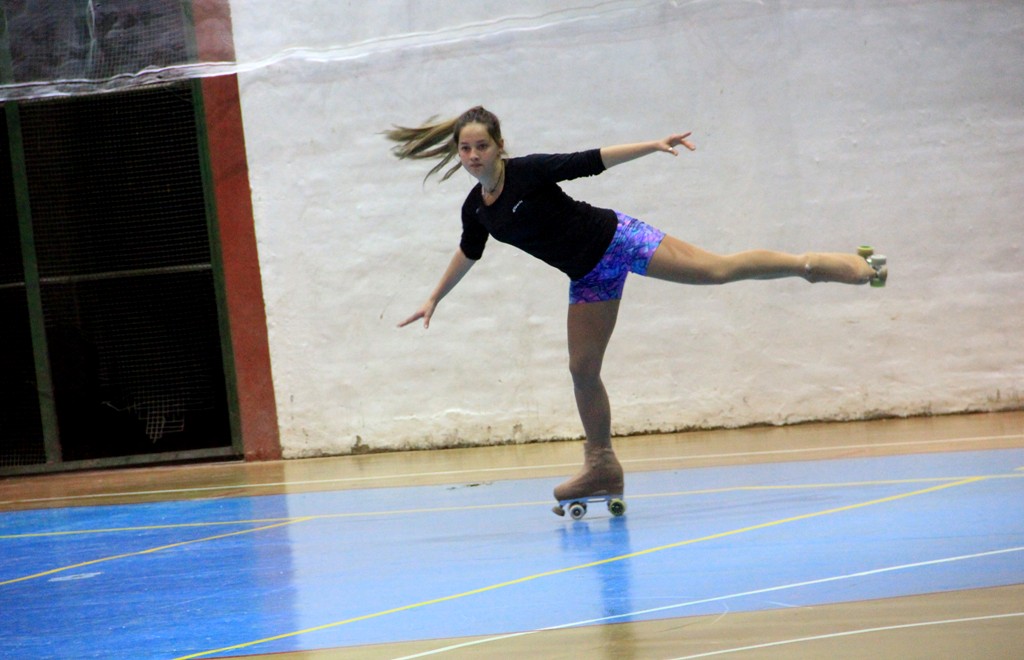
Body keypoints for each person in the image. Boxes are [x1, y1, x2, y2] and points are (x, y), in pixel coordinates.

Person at [386, 106, 883, 516]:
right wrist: (434, 297)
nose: (473, 155)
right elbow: (469, 250)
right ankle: (601, 464)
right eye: (465, 148)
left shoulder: (527, 172)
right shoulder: (477, 208)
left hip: (619, 240)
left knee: (716, 270)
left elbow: (590, 160)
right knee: (582, 370)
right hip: (589, 276)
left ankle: (818, 265)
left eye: (481, 146)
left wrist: (653, 144)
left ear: (499, 146)